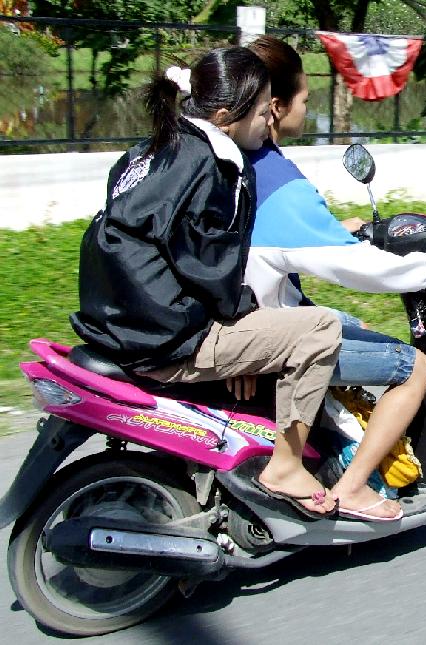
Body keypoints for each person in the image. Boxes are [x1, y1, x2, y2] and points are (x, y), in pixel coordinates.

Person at [70, 47, 342, 519]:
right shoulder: (213, 163)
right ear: (224, 116)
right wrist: (244, 312)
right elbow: (208, 262)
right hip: (164, 334)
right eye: (262, 112)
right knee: (321, 328)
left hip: (116, 320)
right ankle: (286, 466)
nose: (269, 122)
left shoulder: (156, 147)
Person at [243, 36, 426, 521]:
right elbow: (361, 269)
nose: (307, 109)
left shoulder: (233, 163)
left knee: (353, 323)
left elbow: (272, 241)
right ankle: (352, 488)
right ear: (276, 107)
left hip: (246, 315)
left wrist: (331, 230)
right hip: (273, 328)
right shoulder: (278, 181)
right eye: (304, 99)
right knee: (414, 367)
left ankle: (335, 435)